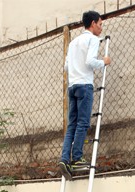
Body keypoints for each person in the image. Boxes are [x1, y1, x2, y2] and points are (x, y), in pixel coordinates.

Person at [58, 10, 111, 180]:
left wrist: (77, 70)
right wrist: (104, 62)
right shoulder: (92, 39)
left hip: (72, 86)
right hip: (84, 85)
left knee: (72, 125)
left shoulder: (73, 42)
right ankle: (77, 158)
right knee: (83, 123)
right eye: (100, 24)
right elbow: (90, 61)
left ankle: (64, 159)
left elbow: (66, 67)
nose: (101, 28)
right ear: (93, 23)